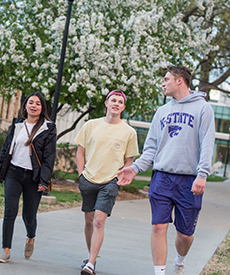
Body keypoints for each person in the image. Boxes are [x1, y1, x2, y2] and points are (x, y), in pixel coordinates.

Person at [117, 65, 215, 275]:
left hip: (189, 181)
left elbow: (207, 144)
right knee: (158, 226)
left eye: (166, 79)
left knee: (185, 234)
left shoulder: (203, 109)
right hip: (161, 178)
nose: (163, 83)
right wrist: (134, 168)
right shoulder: (162, 111)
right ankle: (159, 272)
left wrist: (202, 174)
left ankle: (180, 261)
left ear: (180, 80)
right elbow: (151, 148)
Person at [75, 90, 139, 275]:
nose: (116, 103)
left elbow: (129, 160)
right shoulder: (90, 125)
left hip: (110, 182)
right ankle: (90, 257)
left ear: (123, 107)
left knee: (99, 222)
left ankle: (91, 264)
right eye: (113, 100)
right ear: (106, 103)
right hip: (88, 179)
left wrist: (121, 177)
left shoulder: (129, 132)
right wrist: (81, 174)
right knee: (88, 222)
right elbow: (80, 151)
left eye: (120, 101)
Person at [0, 92, 57, 263]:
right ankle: (6, 250)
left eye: (38, 103)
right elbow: (6, 150)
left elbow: (49, 157)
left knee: (28, 215)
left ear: (42, 108)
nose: (34, 105)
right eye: (31, 102)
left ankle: (30, 237)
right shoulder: (17, 125)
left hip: (34, 178)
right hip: (13, 173)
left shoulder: (48, 128)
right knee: (10, 211)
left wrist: (44, 181)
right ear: (25, 106)